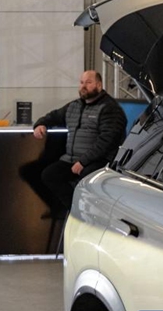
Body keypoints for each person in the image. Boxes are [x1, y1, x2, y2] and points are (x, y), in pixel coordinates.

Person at [33, 70, 127, 219]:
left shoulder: (110, 109)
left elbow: (107, 141)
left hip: (99, 161)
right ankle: (77, 210)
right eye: (81, 82)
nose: (83, 86)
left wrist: (83, 161)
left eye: (88, 83)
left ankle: (90, 214)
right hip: (71, 159)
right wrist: (40, 124)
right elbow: (54, 116)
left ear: (99, 85)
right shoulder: (74, 106)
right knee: (49, 175)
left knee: (86, 177)